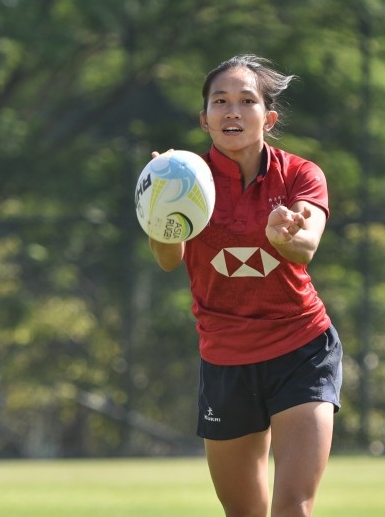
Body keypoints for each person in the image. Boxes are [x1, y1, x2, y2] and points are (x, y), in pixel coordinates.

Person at [148, 54, 342, 517]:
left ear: (268, 117)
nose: (232, 111)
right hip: (226, 358)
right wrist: (159, 208)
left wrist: (286, 234)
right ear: (205, 118)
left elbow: (306, 245)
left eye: (246, 100)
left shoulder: (299, 174)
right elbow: (168, 260)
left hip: (301, 349)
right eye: (220, 101)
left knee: (293, 507)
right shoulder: (182, 178)